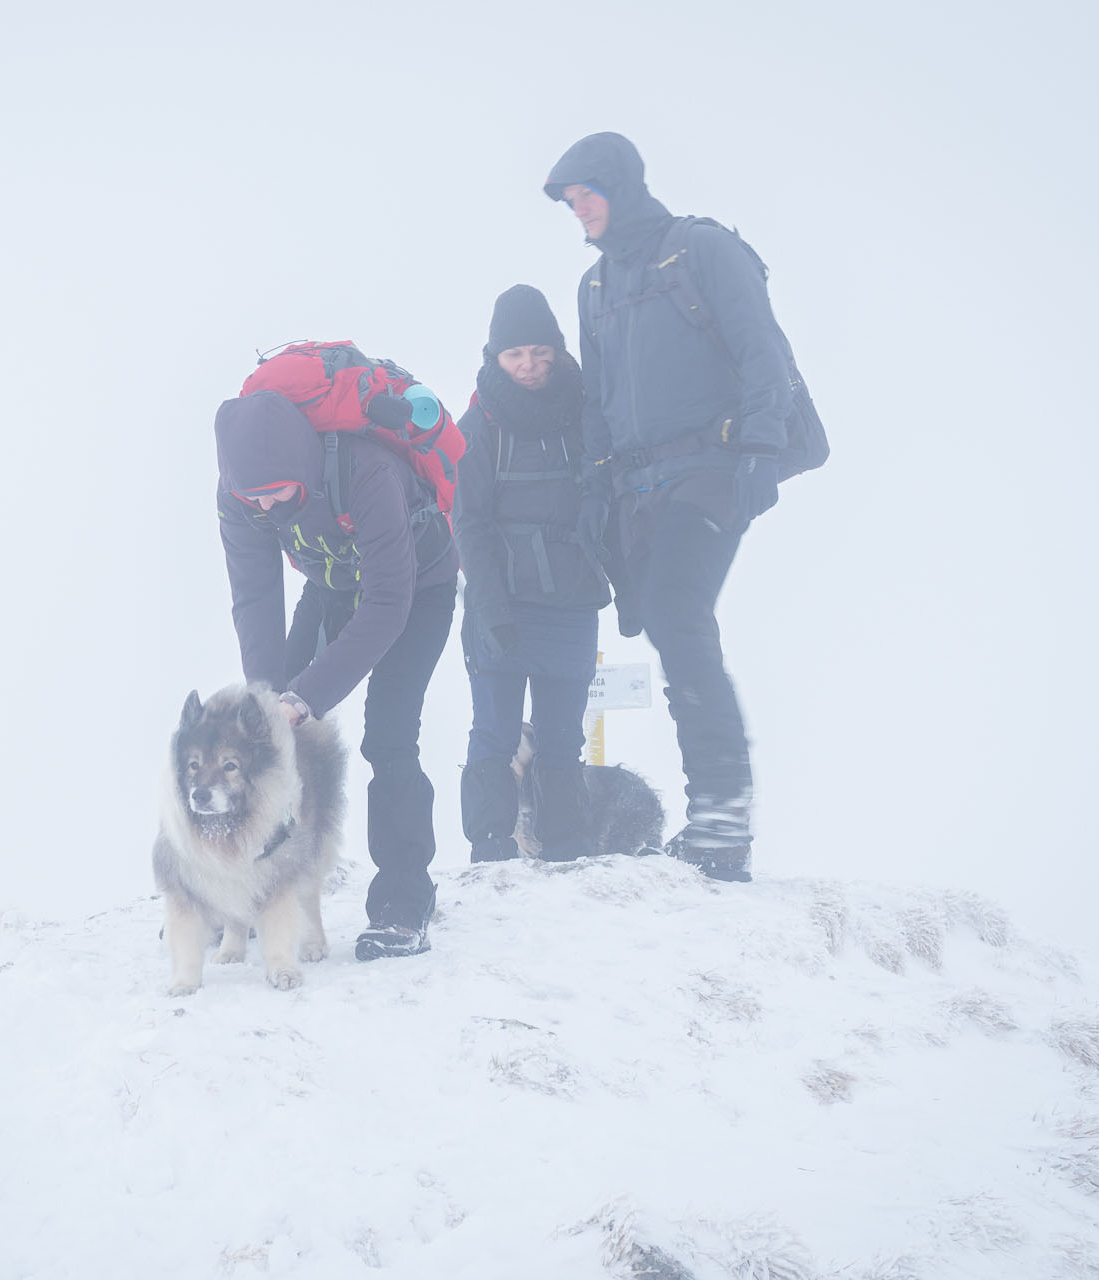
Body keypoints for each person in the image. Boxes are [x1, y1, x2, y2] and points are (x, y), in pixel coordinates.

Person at [543, 131, 796, 883]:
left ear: (620, 186)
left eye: (586, 194)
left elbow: (762, 353)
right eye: (568, 201)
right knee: (668, 624)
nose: (577, 210)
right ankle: (713, 819)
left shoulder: (701, 250)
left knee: (678, 614)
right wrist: (596, 487)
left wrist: (758, 450)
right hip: (639, 485)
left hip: (712, 467)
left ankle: (721, 818)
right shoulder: (593, 287)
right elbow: (597, 401)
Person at [214, 389, 458, 958]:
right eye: (257, 499)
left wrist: (306, 698)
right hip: (333, 586)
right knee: (261, 738)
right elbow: (254, 597)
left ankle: (403, 902)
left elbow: (388, 605)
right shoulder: (240, 496)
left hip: (415, 591)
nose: (270, 508)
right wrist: (268, 699)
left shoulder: (366, 472)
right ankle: (243, 896)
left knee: (389, 737)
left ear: (300, 466)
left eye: (278, 494)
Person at [452, 285, 610, 864]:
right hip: (504, 603)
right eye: (514, 354)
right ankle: (489, 852)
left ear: (558, 351)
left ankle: (565, 848)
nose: (528, 365)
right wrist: (490, 612)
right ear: (495, 357)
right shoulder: (478, 427)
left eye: (539, 352)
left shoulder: (585, 414)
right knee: (493, 733)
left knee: (563, 736)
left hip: (571, 600)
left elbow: (606, 500)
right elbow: (467, 524)